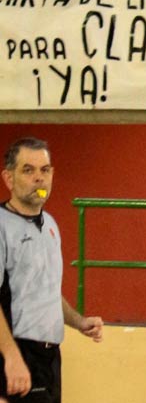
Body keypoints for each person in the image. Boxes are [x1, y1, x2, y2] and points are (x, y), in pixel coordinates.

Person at [0, 137, 103, 403]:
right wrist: (11, 357)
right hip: (14, 351)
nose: (39, 179)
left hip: (48, 359)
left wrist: (79, 322)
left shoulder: (50, 226)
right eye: (28, 170)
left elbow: (45, 292)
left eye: (45, 170)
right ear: (8, 178)